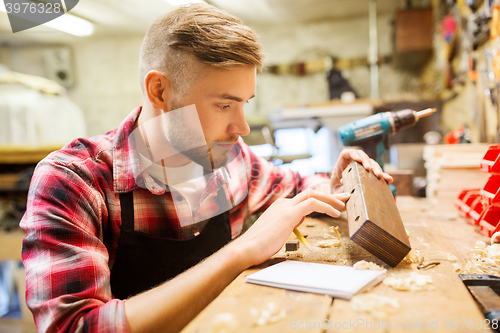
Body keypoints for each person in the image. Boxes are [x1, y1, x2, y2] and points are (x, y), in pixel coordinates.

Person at [20, 4, 392, 333]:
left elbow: (296, 186)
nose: (242, 128)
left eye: (245, 103)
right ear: (159, 91)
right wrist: (241, 251)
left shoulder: (231, 160)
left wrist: (335, 182)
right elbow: (76, 327)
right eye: (224, 105)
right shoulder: (74, 181)